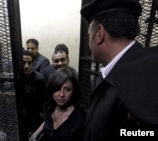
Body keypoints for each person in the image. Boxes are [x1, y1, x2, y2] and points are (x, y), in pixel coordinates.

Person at [80, 0, 158, 140]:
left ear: (99, 34)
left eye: (88, 35)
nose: (89, 43)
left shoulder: (146, 79)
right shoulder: (111, 72)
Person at [31, 67, 84, 141]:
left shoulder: (79, 119)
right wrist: (34, 135)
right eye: (57, 89)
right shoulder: (51, 106)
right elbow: (48, 121)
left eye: (68, 89)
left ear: (74, 91)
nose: (61, 94)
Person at [22, 50, 47, 136]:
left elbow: (46, 100)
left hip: (35, 119)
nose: (26, 66)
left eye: (29, 63)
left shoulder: (39, 79)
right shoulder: (17, 78)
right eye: (23, 62)